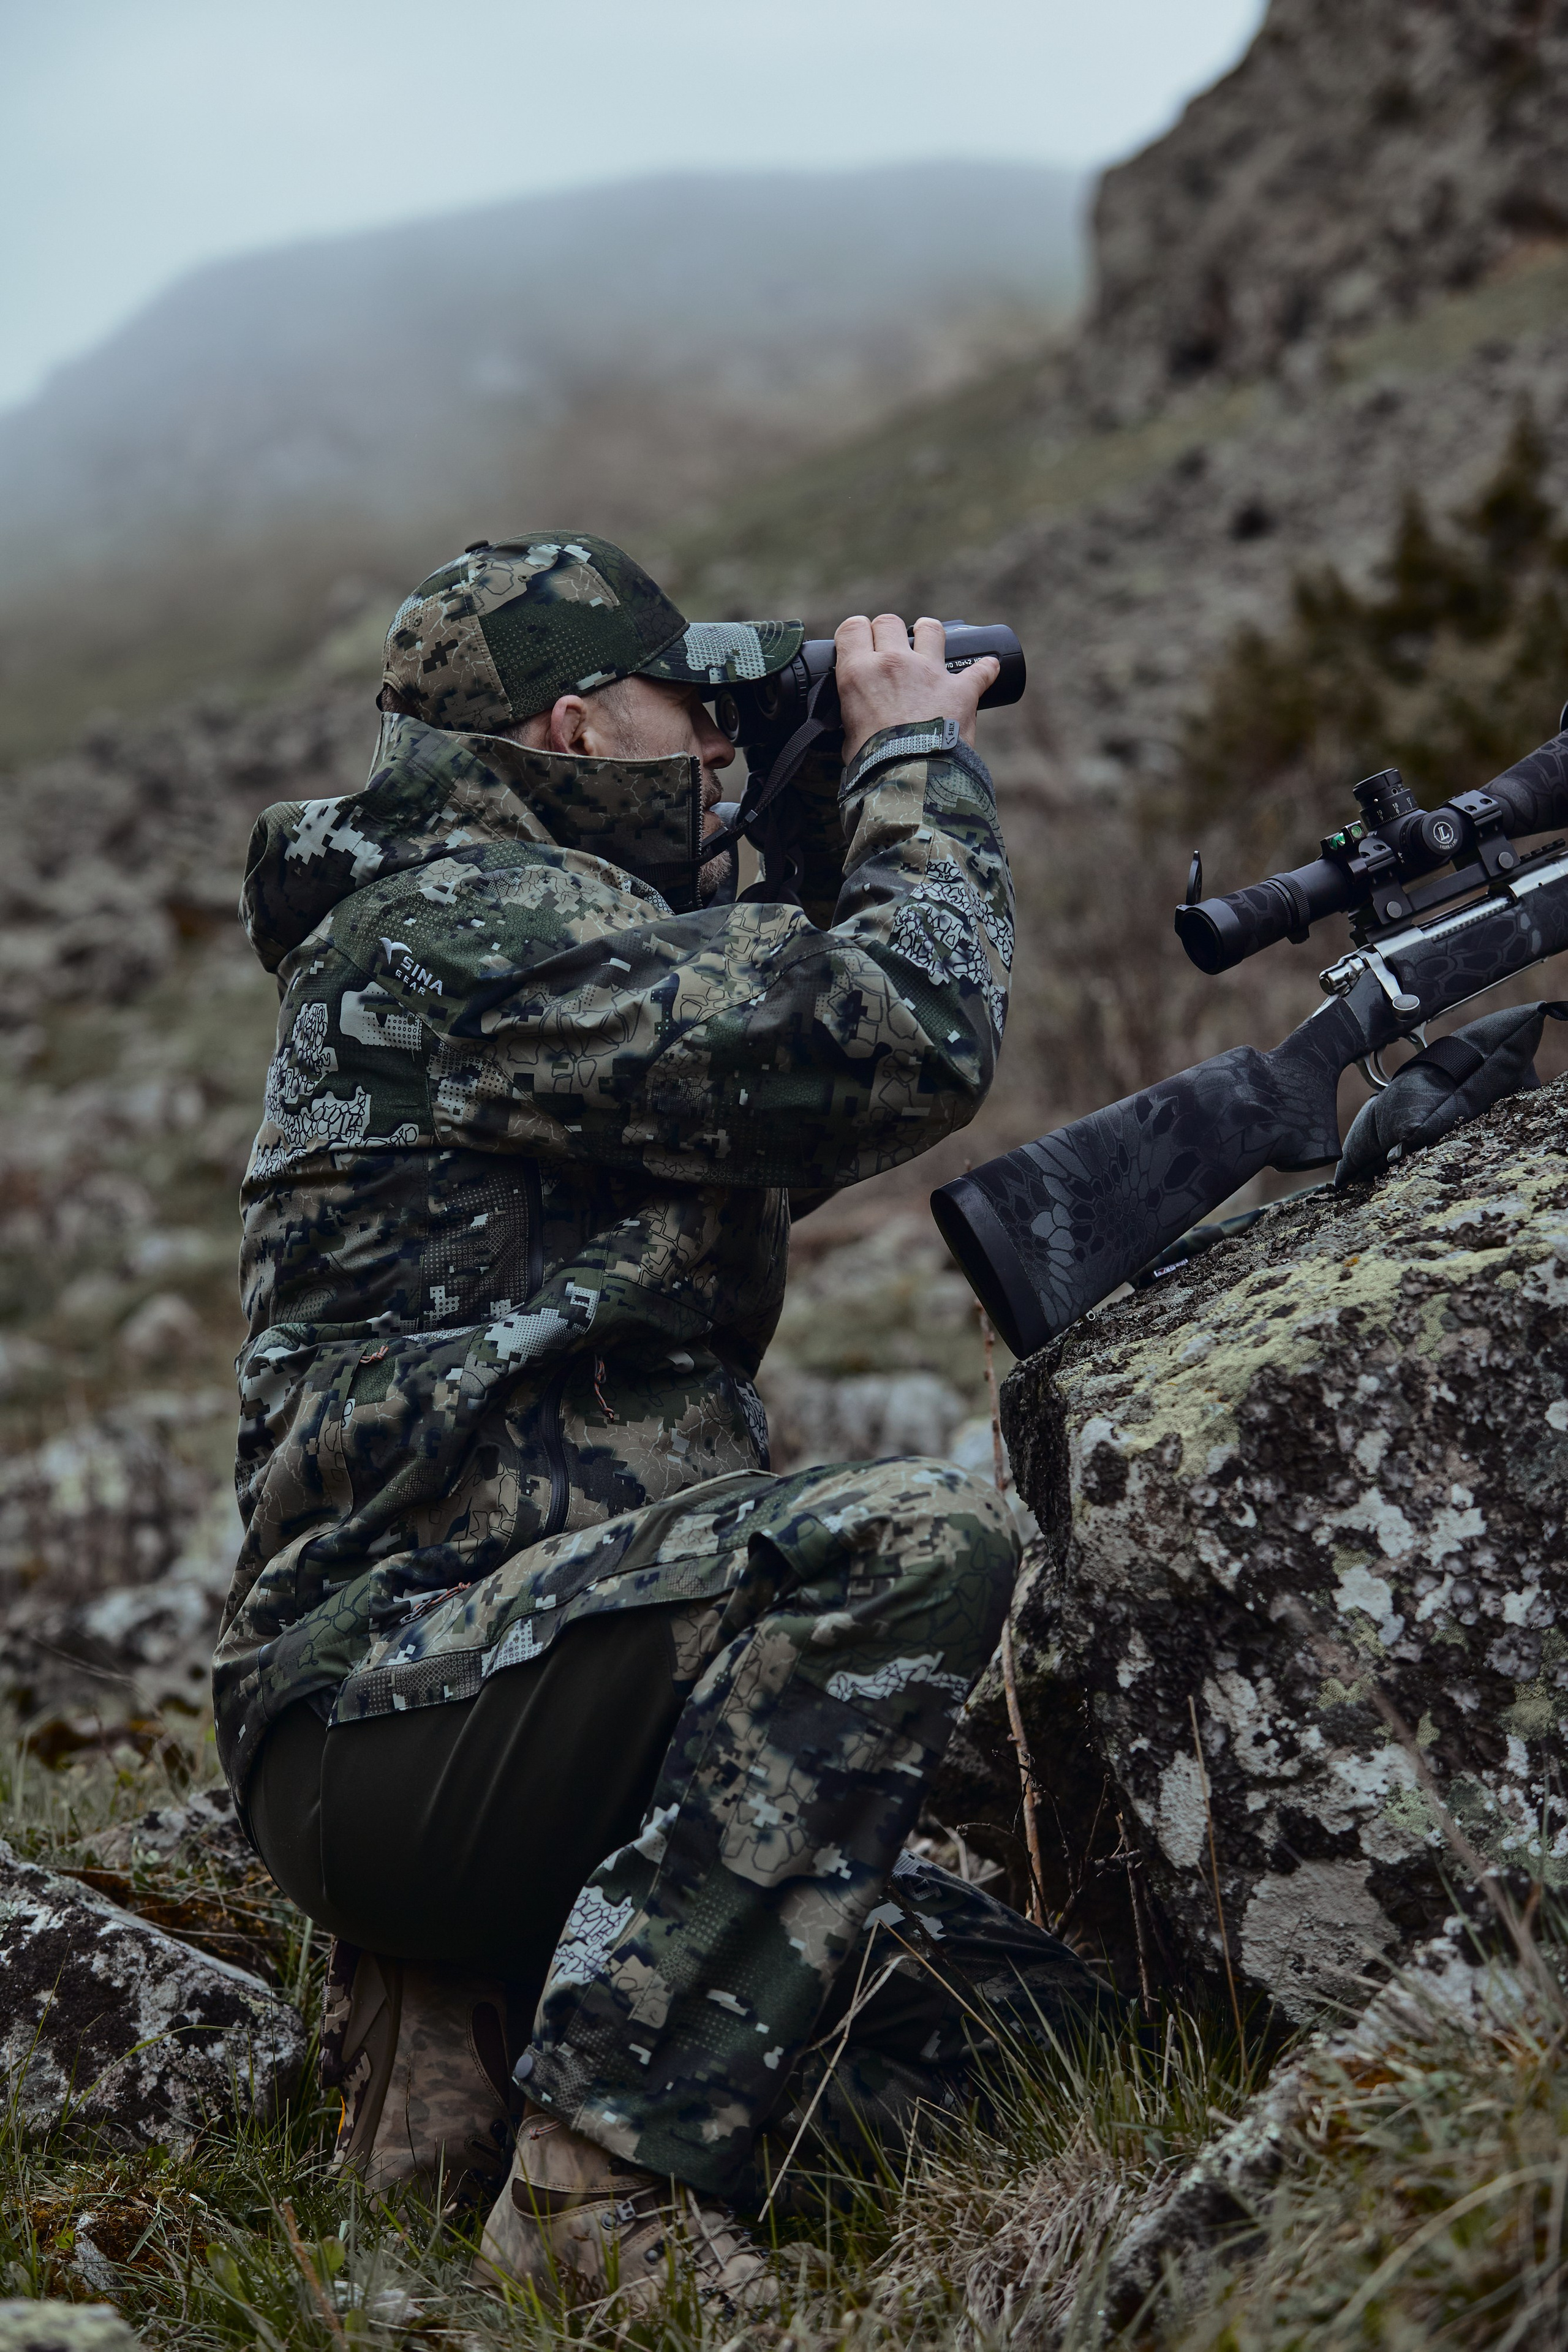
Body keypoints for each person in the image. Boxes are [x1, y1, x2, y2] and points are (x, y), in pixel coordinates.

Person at [216, 534, 1110, 2312]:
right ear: (574, 724)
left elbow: (756, 1025)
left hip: (563, 1701)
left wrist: (771, 815)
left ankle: (470, 2039)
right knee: (911, 1549)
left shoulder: (559, 928)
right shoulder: (461, 924)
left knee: (1027, 2050)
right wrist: (907, 761)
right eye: (686, 712)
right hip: (403, 1712)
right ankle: (589, 2204)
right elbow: (898, 1035)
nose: (716, 740)